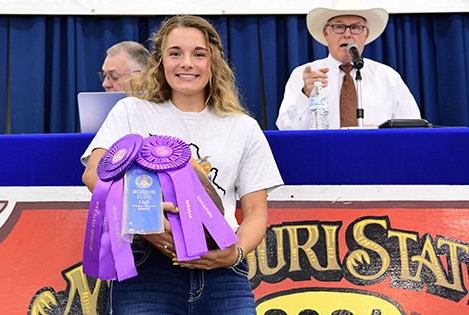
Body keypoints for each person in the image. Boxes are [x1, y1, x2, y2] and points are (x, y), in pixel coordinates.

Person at [81, 15, 283, 314]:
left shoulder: (244, 127)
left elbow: (255, 211)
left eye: (198, 54)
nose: (187, 63)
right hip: (148, 267)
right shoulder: (131, 110)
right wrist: (144, 219)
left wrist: (234, 253)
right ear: (160, 62)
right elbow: (94, 173)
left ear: (212, 63)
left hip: (223, 272)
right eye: (175, 53)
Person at [276, 0, 421, 129]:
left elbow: (413, 127)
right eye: (339, 27)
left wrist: (377, 133)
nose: (347, 34)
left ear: (366, 34)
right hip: (323, 156)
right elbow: (285, 128)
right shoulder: (304, 76)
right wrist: (306, 94)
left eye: (356, 28)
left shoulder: (388, 77)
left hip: (375, 155)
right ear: (326, 33)